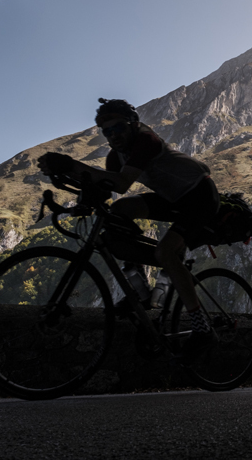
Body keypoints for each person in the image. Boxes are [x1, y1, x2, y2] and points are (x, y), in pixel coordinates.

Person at [36, 98, 219, 361]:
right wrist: (74, 191)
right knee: (119, 211)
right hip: (172, 198)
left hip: (200, 195)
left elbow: (121, 183)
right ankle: (141, 289)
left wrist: (73, 164)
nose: (114, 135)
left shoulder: (147, 141)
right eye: (107, 131)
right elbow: (107, 191)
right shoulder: (115, 155)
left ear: (133, 123)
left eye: (118, 127)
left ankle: (203, 329)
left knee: (165, 253)